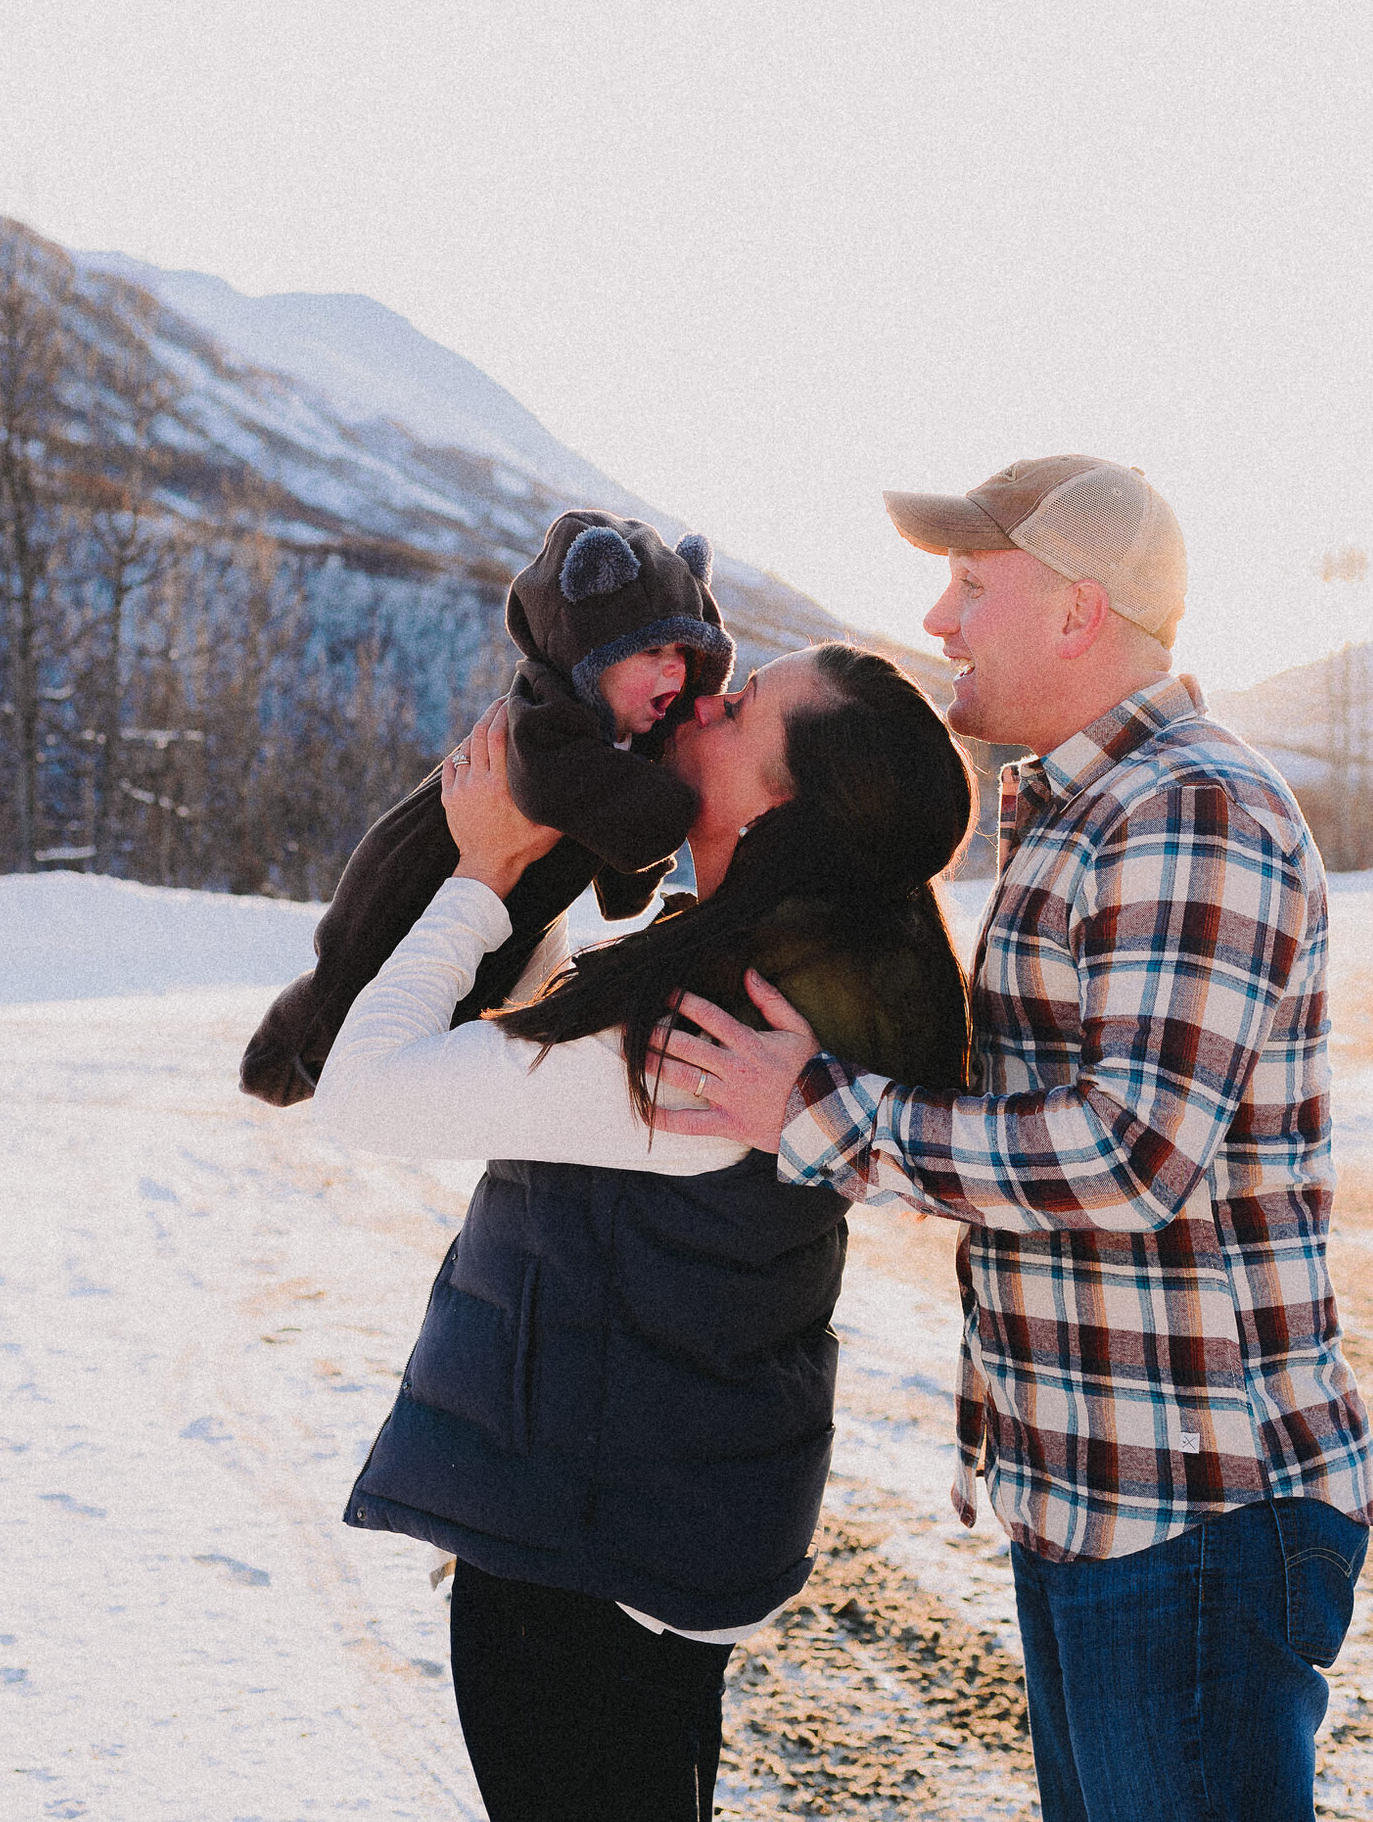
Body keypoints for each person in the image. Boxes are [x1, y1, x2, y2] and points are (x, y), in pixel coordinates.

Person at [652, 457, 1373, 1822]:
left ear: (1075, 614)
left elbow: (1127, 1156)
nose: (936, 621)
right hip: (1102, 1489)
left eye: (972, 586)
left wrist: (816, 1112)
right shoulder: (1086, 807)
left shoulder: (1190, 809)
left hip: (1196, 1505)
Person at [310, 640, 974, 1822]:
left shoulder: (688, 1037)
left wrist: (475, 876)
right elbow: (534, 1038)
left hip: (583, 1553)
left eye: (740, 708)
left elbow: (364, 1095)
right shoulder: (807, 972)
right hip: (671, 1525)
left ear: (782, 805)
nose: (703, 703)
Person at [240, 509, 735, 1107]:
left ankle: (333, 1063)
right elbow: (602, 806)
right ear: (591, 654)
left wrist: (632, 883)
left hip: (509, 905)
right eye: (651, 649)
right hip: (410, 874)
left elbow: (616, 836)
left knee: (463, 1001)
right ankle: (278, 1063)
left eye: (685, 650)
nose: (676, 667)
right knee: (351, 981)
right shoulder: (546, 717)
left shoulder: (619, 741)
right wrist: (687, 800)